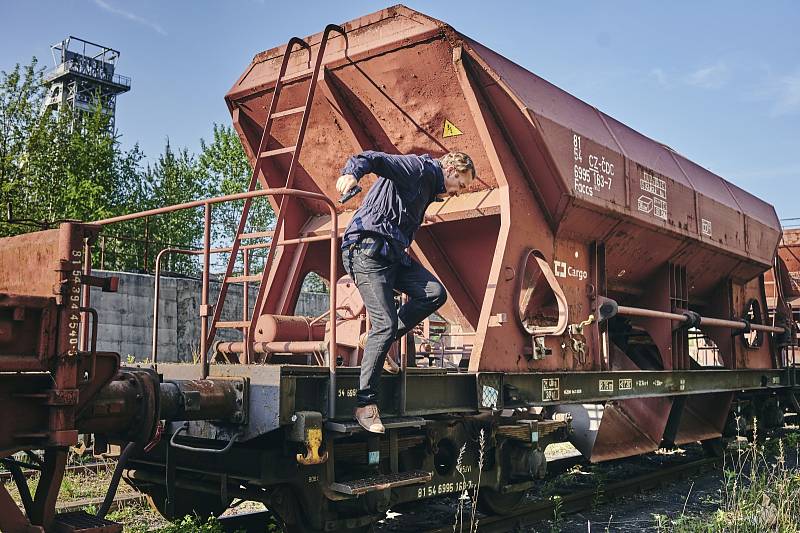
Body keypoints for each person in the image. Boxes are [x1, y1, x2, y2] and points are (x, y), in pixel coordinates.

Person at [336, 150, 476, 433]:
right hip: (365, 250)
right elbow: (374, 159)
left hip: (392, 254)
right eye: (461, 184)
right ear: (450, 168)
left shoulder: (429, 187)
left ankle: (374, 339)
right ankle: (365, 404)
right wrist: (351, 173)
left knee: (434, 293)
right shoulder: (417, 169)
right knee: (385, 323)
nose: (460, 192)